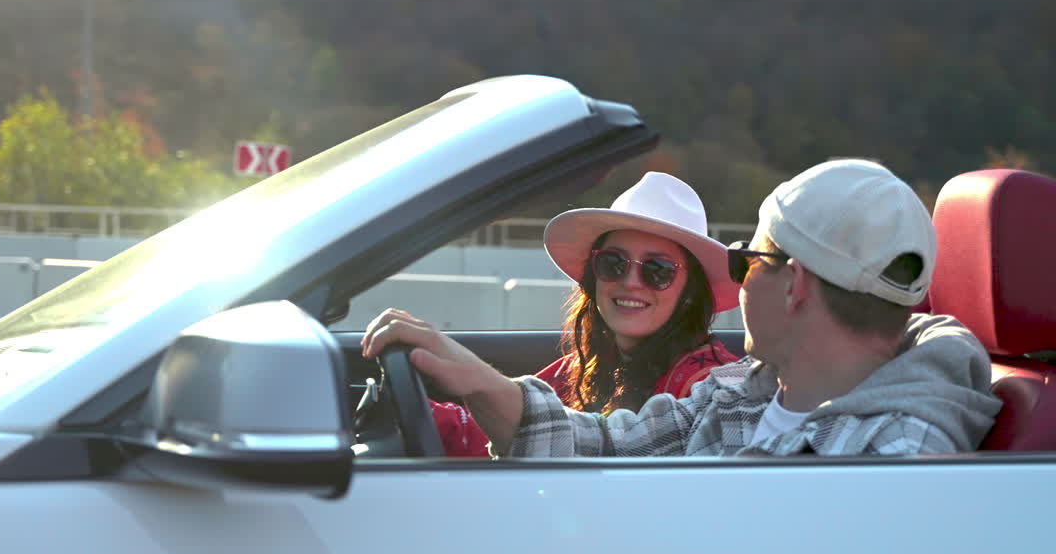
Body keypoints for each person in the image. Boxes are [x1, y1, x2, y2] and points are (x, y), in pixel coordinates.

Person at [366, 159, 1001, 457]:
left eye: (749, 261)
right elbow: (603, 446)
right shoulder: (740, 395)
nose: (740, 279)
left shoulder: (899, 459)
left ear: (795, 285)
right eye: (613, 264)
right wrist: (473, 377)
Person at [432, 171, 740, 456]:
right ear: (594, 277)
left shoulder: (710, 389)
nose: (630, 282)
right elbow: (488, 428)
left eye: (657, 270)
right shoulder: (583, 366)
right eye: (613, 263)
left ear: (690, 294)